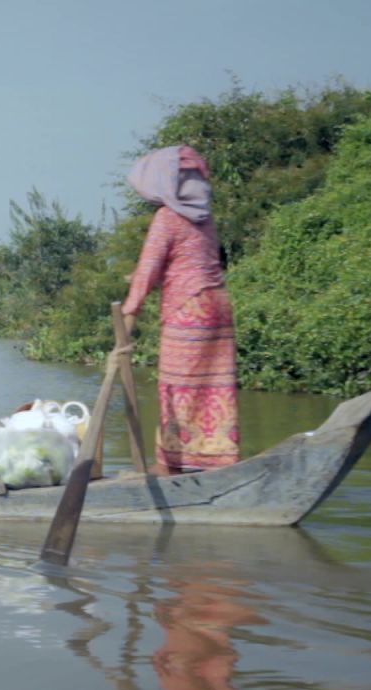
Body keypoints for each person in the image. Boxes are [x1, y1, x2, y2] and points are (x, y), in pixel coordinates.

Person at [122, 146, 239, 474]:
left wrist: (125, 329)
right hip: (217, 306)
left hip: (188, 310)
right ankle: (218, 461)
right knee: (215, 386)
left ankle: (169, 465)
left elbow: (148, 273)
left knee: (176, 387)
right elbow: (190, 260)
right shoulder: (204, 215)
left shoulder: (168, 217)